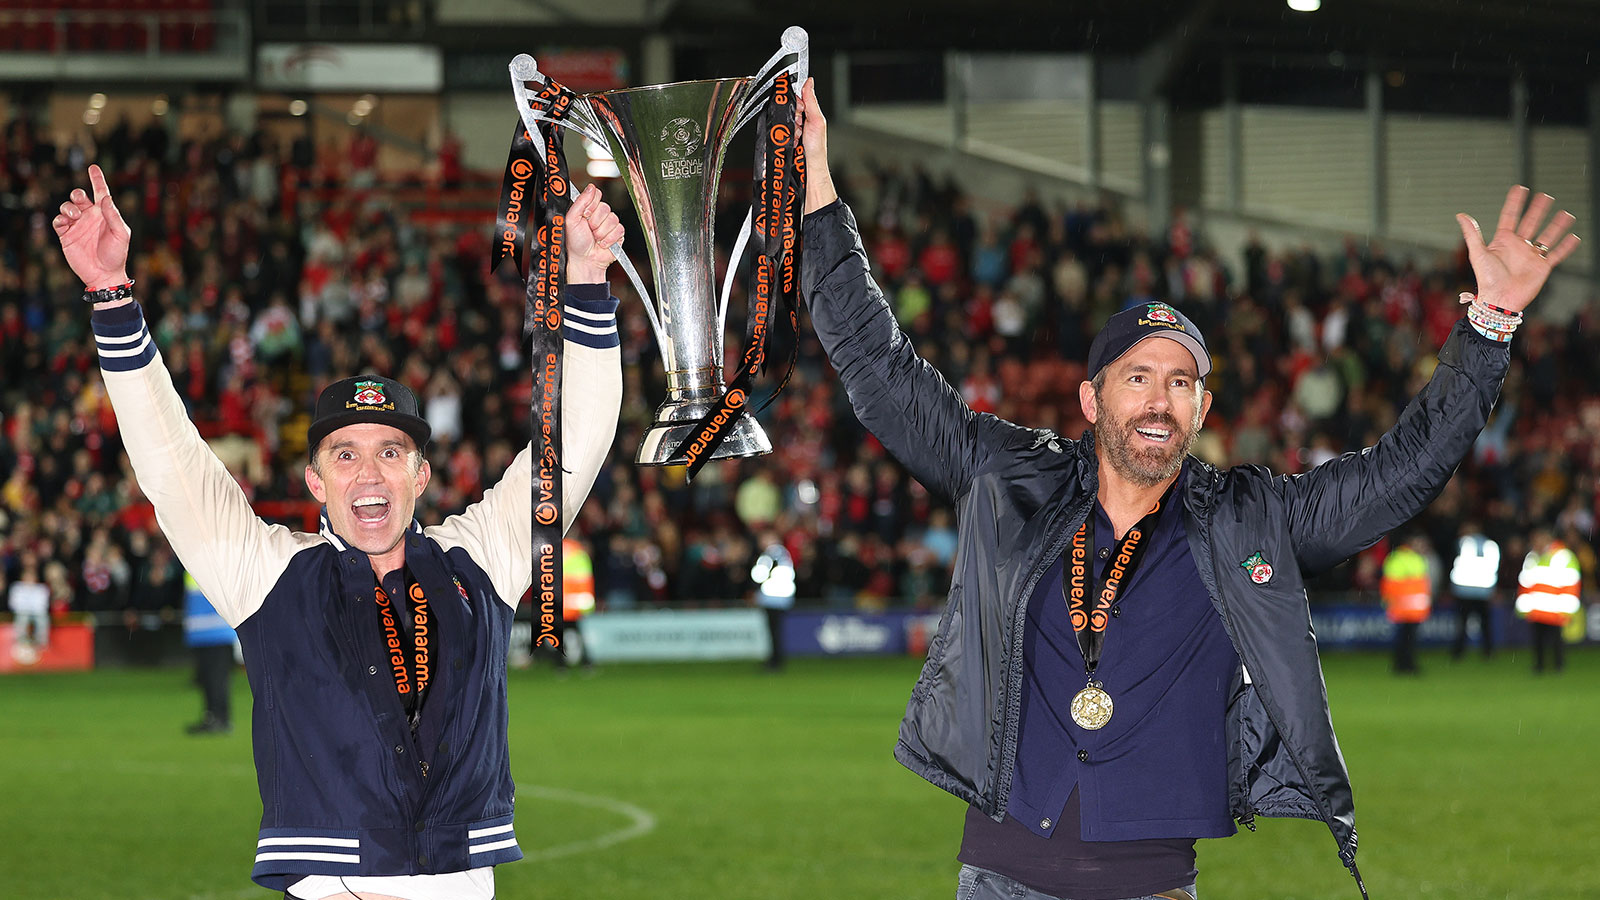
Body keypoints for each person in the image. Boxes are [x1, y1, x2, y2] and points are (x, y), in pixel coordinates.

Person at [795, 79, 1580, 899]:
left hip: (1153, 885)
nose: (1159, 399)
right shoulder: (1007, 479)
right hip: (1001, 878)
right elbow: (878, 369)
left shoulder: (1250, 520)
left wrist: (1489, 324)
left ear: (1203, 409)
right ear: (1092, 400)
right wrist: (816, 187)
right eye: (1137, 376)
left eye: (1181, 382)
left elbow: (1401, 472)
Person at [53, 165, 625, 900]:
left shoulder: (479, 557)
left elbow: (574, 443)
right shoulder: (265, 575)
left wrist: (584, 281)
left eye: (391, 453)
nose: (369, 475)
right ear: (316, 483)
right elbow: (173, 465)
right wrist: (111, 297)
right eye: (345, 455)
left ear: (420, 475)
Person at [1515, 528, 1581, 674]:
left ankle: (1559, 665)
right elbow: (1525, 582)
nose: (1534, 542)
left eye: (1537, 539)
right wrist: (1524, 605)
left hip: (1554, 607)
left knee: (1556, 639)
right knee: (1537, 640)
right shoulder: (1532, 557)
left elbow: (1571, 582)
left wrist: (1567, 607)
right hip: (1537, 607)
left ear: (1547, 539)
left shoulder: (1562, 556)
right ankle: (1539, 665)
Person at [183, 571, 238, 735]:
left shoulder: (209, 562)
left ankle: (220, 719)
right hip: (204, 632)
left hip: (217, 632)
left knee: (216, 679)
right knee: (208, 679)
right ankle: (212, 717)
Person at [1380, 533, 1433, 674]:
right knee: (1406, 638)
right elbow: (1390, 584)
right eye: (1419, 543)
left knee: (1407, 638)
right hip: (1404, 607)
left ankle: (1404, 665)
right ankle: (1405, 665)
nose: (1422, 546)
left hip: (1412, 607)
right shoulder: (1402, 558)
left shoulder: (1406, 558)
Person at [1448, 521, 1499, 659]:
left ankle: (1458, 652)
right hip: (1483, 591)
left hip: (1464, 591)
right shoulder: (1490, 544)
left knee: (1462, 624)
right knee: (1485, 624)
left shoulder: (1463, 543)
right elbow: (1494, 567)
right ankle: (1488, 651)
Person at [751, 531, 796, 671]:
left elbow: (759, 575)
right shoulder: (784, 555)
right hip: (782, 599)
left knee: (774, 632)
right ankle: (775, 660)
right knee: (776, 632)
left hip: (772, 599)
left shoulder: (770, 555)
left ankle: (775, 662)